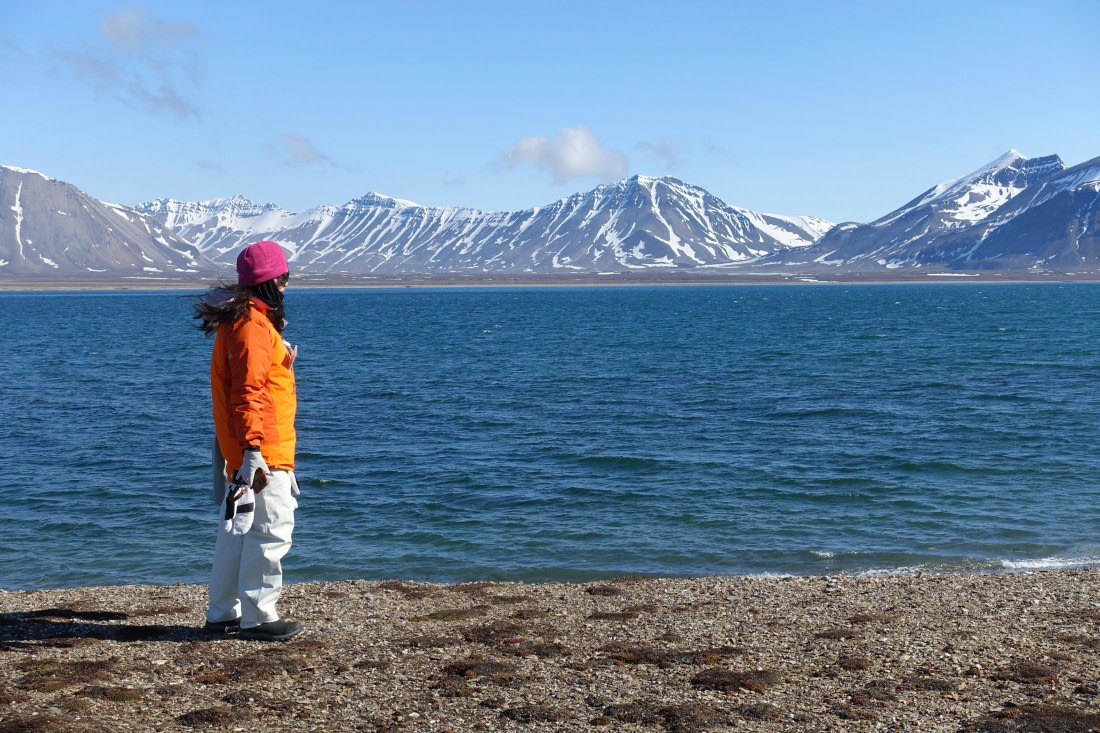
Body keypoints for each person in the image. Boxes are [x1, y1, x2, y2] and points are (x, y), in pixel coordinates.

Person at [194, 240, 304, 641]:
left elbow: (244, 391)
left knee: (236, 531)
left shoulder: (239, 322)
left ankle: (223, 612)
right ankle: (259, 616)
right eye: (286, 279)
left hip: (240, 446)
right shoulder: (252, 328)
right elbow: (250, 393)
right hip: (262, 450)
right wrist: (254, 450)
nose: (288, 286)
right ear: (273, 282)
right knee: (270, 529)